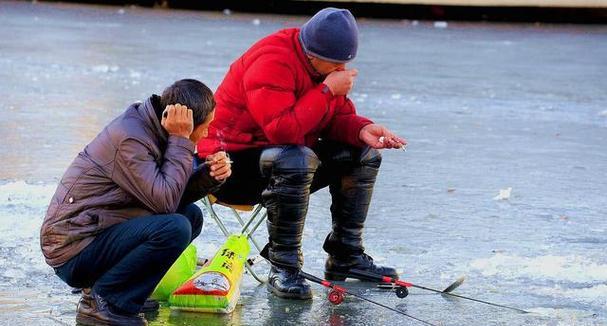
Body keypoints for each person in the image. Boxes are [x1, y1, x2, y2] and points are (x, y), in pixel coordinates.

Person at [197, 8, 407, 300]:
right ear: (311, 55)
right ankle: (283, 266)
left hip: (281, 162)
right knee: (294, 157)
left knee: (364, 153)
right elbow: (282, 131)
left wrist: (362, 129)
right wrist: (326, 91)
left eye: (345, 63)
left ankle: (345, 253)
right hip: (228, 168)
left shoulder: (324, 71)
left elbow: (332, 119)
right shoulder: (272, 60)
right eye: (335, 63)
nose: (340, 70)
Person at [40, 79, 232, 325]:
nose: (206, 133)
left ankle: (124, 292)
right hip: (74, 248)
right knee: (175, 227)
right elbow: (163, 203)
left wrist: (207, 177)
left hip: (99, 232)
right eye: (205, 126)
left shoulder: (153, 130)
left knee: (190, 216)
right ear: (185, 123)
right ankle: (104, 304)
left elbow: (167, 200)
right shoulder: (132, 139)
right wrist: (182, 141)